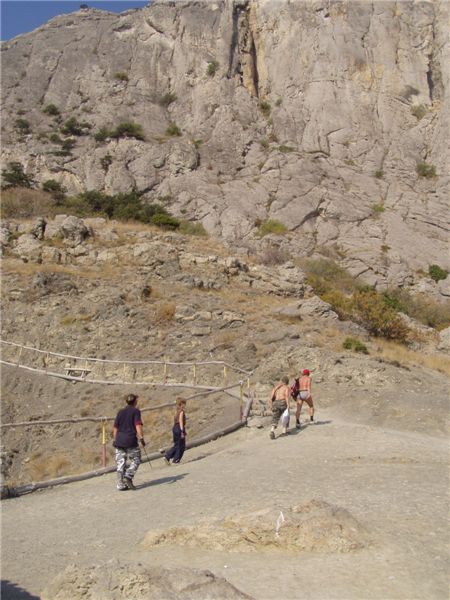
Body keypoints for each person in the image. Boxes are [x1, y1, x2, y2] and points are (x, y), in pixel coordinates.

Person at [112, 393, 145, 490]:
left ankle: (120, 484)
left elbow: (115, 427)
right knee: (136, 459)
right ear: (135, 401)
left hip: (119, 440)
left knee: (120, 462)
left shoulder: (120, 412)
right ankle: (129, 475)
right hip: (130, 439)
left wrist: (115, 439)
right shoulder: (136, 411)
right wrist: (141, 438)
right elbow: (137, 425)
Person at [164, 398, 187, 464]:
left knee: (177, 444)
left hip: (175, 428)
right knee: (181, 445)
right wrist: (182, 431)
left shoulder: (176, 411)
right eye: (184, 404)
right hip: (179, 428)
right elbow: (181, 421)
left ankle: (168, 456)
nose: (185, 405)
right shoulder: (181, 412)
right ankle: (176, 459)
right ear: (181, 404)